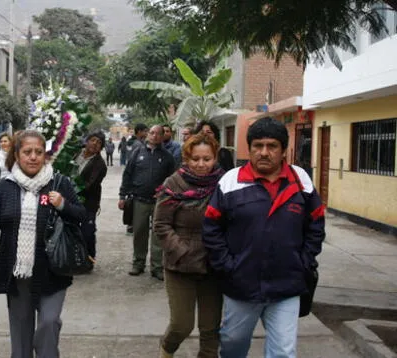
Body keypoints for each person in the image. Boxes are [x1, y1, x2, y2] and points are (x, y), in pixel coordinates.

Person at [203, 117, 326, 358]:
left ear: (283, 151)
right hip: (241, 285)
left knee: (283, 352)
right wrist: (228, 266)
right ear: (249, 149)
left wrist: (304, 261)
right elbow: (211, 227)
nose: (264, 152)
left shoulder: (301, 181)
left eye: (272, 146)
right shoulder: (230, 181)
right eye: (258, 146)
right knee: (232, 345)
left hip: (286, 285)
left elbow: (316, 224)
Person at [0, 130, 86, 358]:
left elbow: (82, 216)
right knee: (21, 329)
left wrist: (63, 205)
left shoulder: (59, 183)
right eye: (27, 152)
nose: (33, 157)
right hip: (18, 274)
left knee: (49, 321)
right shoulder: (3, 188)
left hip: (53, 270)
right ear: (16, 155)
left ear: (45, 155)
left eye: (38, 152)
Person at [153, 134, 224, 358]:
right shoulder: (173, 183)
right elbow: (161, 225)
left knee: (210, 328)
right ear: (186, 158)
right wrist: (182, 251)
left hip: (213, 265)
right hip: (180, 265)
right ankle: (166, 349)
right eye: (195, 159)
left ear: (215, 158)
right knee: (182, 325)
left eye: (207, 159)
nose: (201, 164)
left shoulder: (224, 183)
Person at [118, 125, 175, 281]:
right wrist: (122, 196)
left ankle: (157, 267)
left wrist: (167, 193)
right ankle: (138, 264)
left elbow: (173, 179)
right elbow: (127, 174)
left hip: (160, 201)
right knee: (139, 233)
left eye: (158, 134)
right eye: (152, 133)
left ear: (163, 136)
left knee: (158, 235)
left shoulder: (168, 157)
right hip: (139, 200)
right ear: (148, 135)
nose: (154, 136)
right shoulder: (137, 153)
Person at [75, 131, 108, 261]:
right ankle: (74, 257)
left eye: (99, 142)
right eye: (93, 140)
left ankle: (89, 258)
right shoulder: (75, 153)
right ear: (87, 140)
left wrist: (72, 189)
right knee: (73, 229)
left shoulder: (100, 164)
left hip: (88, 201)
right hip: (70, 199)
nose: (95, 144)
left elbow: (90, 184)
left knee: (87, 231)